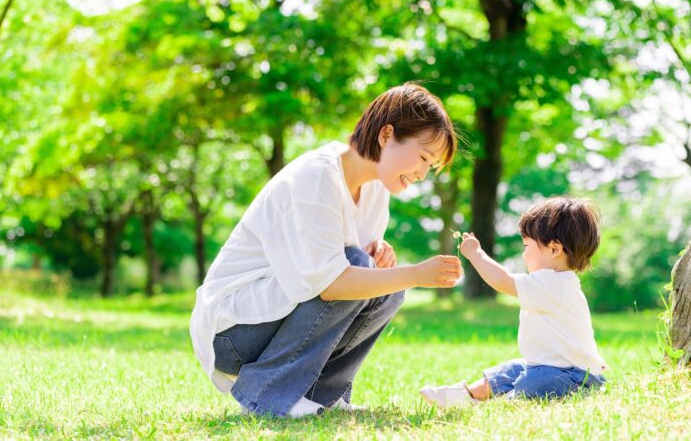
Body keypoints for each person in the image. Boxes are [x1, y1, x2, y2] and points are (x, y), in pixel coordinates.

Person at [190, 83, 463, 418]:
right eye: (423, 158)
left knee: (387, 289)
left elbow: (358, 271)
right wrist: (414, 274)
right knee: (371, 272)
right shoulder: (317, 177)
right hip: (234, 333)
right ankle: (268, 393)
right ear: (387, 135)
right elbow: (332, 283)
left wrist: (380, 261)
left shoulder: (376, 190)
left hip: (277, 318)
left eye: (430, 166)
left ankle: (323, 395)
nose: (422, 174)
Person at [420, 196, 609, 407]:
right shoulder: (555, 282)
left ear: (554, 249)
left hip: (577, 378)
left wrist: (476, 254)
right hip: (552, 368)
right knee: (513, 370)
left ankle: (500, 402)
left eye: (527, 246)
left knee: (533, 382)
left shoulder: (553, 283)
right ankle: (467, 394)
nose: (524, 254)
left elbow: (503, 281)